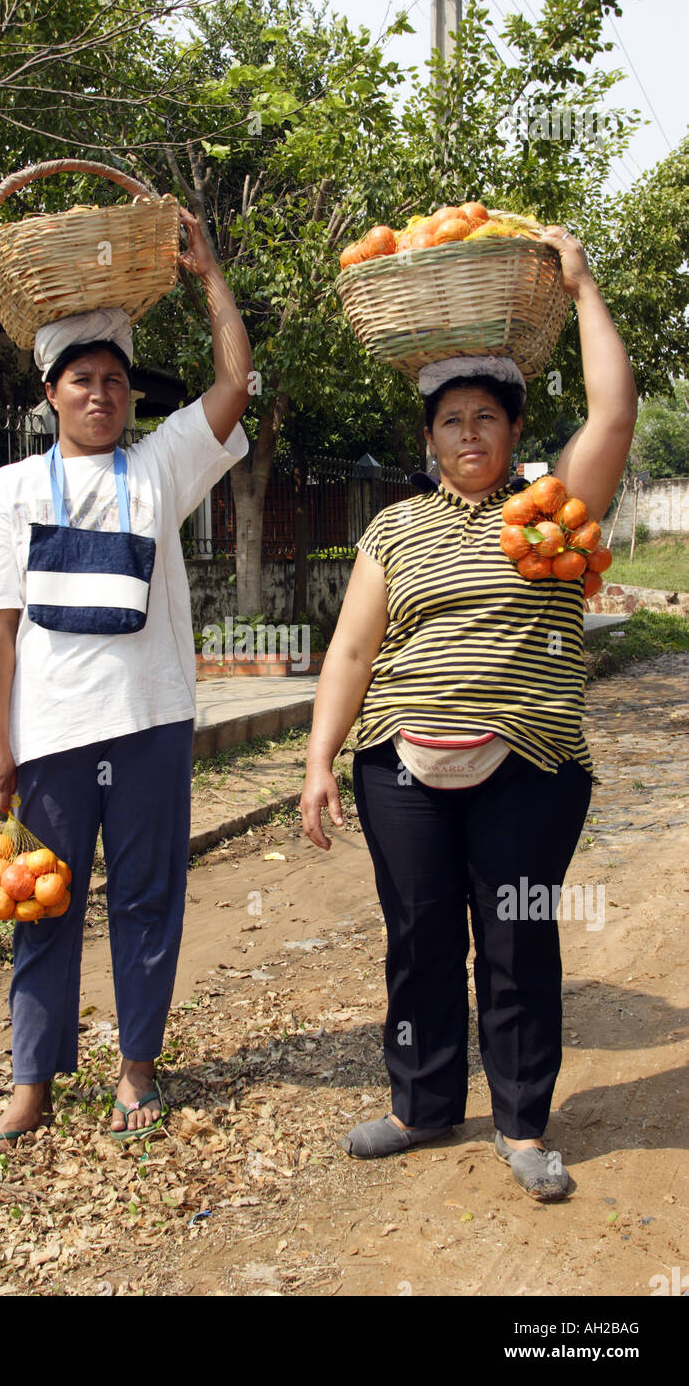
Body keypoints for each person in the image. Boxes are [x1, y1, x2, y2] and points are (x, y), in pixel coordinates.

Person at [300, 227, 636, 1200]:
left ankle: (524, 1123)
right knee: (417, 934)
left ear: (510, 431)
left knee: (517, 931)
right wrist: (320, 758)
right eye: (450, 420)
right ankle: (420, 1102)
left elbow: (613, 412)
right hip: (397, 763)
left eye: (485, 417)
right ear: (427, 438)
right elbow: (353, 651)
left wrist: (579, 285)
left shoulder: (548, 511)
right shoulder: (392, 527)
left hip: (528, 760)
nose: (468, 434)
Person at [0, 208, 252, 1157]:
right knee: (42, 903)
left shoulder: (160, 467)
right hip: (49, 736)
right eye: (82, 381)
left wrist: (208, 277)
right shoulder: (10, 491)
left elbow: (236, 383)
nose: (100, 395)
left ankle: (137, 1073)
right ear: (50, 393)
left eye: (115, 382)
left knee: (147, 899)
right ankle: (31, 1085)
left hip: (153, 721)